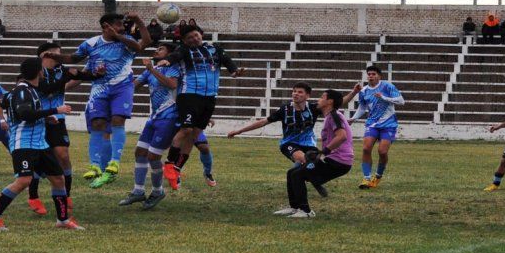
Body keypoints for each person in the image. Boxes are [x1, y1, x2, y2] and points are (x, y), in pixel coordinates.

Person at [42, 13, 152, 189]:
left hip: (122, 87)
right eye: (118, 25)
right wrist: (54, 57)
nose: (122, 27)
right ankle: (95, 165)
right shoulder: (91, 43)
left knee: (117, 120)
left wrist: (135, 24)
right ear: (105, 26)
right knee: (97, 124)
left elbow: (142, 45)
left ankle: (115, 162)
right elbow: (73, 59)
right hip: (99, 88)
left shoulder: (126, 41)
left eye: (122, 25)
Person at [0, 57, 84, 231]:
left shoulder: (29, 90)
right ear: (39, 72)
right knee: (23, 181)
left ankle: (63, 220)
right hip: (24, 144)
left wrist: (45, 117)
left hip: (39, 143)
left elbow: (4, 102)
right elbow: (25, 114)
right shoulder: (23, 91)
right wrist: (54, 110)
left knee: (58, 179)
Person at [156, 25, 245, 189]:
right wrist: (168, 60)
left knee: (195, 135)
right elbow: (175, 55)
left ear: (201, 35)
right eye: (189, 38)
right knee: (186, 130)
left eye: (195, 35)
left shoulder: (215, 49)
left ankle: (177, 168)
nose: (193, 39)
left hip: (209, 97)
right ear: (184, 41)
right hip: (189, 95)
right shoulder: (184, 50)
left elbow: (228, 62)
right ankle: (168, 163)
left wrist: (234, 72)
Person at [227, 82, 354, 197]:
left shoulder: (314, 108)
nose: (295, 94)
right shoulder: (285, 109)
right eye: (294, 91)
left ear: (307, 96)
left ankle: (308, 182)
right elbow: (263, 122)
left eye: (300, 92)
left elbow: (335, 103)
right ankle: (305, 186)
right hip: (289, 143)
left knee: (309, 166)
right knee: (303, 160)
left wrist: (354, 93)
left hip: (309, 143)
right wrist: (239, 131)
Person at [25, 42, 105, 216]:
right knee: (38, 160)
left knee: (63, 156)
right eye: (55, 54)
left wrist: (96, 74)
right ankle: (33, 196)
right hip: (40, 119)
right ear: (44, 56)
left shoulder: (63, 70)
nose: (59, 57)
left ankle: (66, 194)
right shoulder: (35, 72)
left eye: (60, 54)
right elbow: (46, 90)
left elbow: (84, 76)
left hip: (58, 120)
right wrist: (66, 78)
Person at [118, 43, 181, 209]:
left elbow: (173, 85)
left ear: (169, 54)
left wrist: (152, 69)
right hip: (154, 117)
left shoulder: (172, 68)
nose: (156, 50)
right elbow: (133, 86)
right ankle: (138, 191)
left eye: (161, 49)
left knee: (153, 157)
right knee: (140, 152)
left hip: (169, 116)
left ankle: (157, 191)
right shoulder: (149, 70)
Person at [274, 90, 354, 218]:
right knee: (292, 173)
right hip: (335, 160)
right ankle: (294, 207)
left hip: (338, 162)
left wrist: (323, 153)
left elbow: (342, 136)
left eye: (322, 97)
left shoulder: (334, 115)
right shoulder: (332, 115)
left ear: (330, 102)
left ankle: (306, 211)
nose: (319, 99)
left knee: (298, 175)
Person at [344, 66, 405, 189]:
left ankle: (377, 176)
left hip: (389, 124)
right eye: (369, 74)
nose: (371, 76)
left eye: (373, 74)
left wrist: (384, 97)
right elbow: (362, 107)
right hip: (372, 124)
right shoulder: (364, 91)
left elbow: (401, 101)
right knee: (366, 149)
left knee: (382, 152)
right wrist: (353, 118)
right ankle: (366, 179)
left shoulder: (388, 87)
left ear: (379, 76)